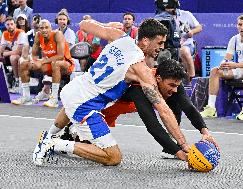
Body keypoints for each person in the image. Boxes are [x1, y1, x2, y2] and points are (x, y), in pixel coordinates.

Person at [32, 18, 191, 166]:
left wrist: (108, 25)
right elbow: (164, 111)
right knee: (113, 157)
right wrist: (183, 145)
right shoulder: (140, 68)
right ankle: (54, 143)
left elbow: (84, 24)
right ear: (145, 40)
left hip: (74, 89)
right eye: (160, 42)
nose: (162, 47)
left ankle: (50, 134)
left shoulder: (120, 36)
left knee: (73, 104)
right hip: (84, 105)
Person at [200, 14, 243, 120]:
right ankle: (211, 108)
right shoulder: (234, 39)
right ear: (237, 26)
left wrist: (235, 65)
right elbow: (227, 58)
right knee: (215, 71)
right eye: (240, 24)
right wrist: (224, 64)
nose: (242, 27)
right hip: (239, 70)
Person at [11, 19, 74, 107]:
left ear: (51, 28)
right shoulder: (38, 35)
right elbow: (34, 54)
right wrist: (35, 62)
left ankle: (54, 99)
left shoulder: (57, 34)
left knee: (56, 63)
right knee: (24, 64)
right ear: (39, 29)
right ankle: (26, 97)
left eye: (46, 27)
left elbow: (60, 56)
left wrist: (42, 61)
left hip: (66, 65)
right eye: (41, 28)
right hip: (50, 63)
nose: (44, 30)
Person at [0, 16, 28, 93]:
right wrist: (1, 53)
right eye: (8, 24)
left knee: (13, 57)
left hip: (25, 56)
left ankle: (17, 81)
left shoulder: (20, 33)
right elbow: (1, 48)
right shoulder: (5, 34)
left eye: (12, 24)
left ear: (15, 24)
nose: (10, 26)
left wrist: (5, 53)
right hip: (12, 54)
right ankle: (6, 81)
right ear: (5, 25)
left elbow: (19, 51)